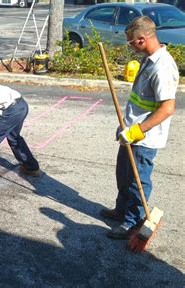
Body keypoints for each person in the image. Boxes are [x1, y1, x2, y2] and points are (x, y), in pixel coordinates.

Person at [101, 16, 178, 239]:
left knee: (137, 182)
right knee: (123, 175)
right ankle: (121, 210)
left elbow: (167, 109)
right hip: (130, 132)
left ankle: (131, 222)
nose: (130, 46)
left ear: (142, 39)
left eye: (131, 42)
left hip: (144, 138)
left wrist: (136, 131)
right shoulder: (147, 59)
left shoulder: (162, 68)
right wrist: (126, 127)